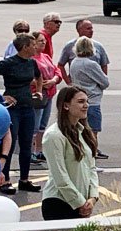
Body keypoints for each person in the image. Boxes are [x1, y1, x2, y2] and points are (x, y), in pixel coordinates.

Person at [40, 85, 100, 220]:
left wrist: (93, 197)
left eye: (87, 101)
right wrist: (79, 202)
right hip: (59, 203)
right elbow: (60, 176)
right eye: (80, 102)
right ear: (66, 106)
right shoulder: (54, 135)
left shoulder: (83, 132)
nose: (86, 105)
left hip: (83, 203)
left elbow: (91, 167)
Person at [0, 32, 44, 192]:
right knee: (10, 142)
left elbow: (39, 76)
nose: (36, 47)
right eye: (33, 45)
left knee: (27, 144)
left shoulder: (31, 63)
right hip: (12, 109)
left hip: (28, 107)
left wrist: (39, 91)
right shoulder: (8, 63)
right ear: (24, 47)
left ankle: (24, 179)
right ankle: (6, 180)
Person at [66, 38, 110, 154]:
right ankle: (92, 155)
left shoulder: (74, 62)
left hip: (78, 100)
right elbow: (105, 82)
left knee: (79, 130)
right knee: (92, 132)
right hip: (92, 100)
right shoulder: (91, 64)